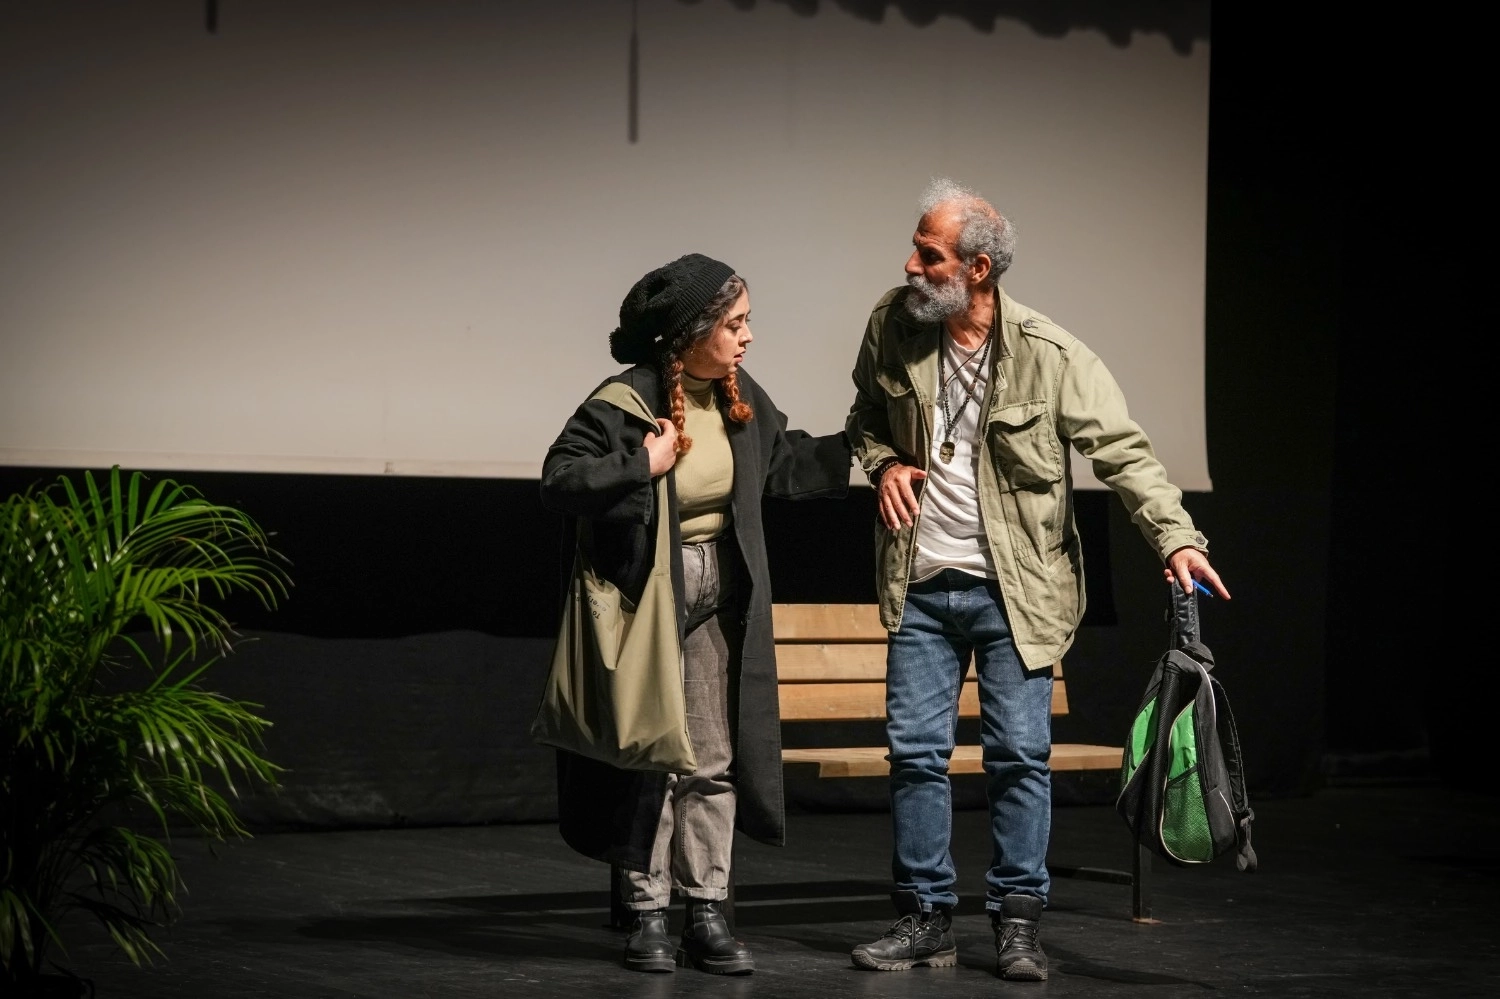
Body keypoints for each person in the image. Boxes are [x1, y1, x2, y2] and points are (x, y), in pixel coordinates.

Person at [844, 179, 1230, 981]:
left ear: (978, 269)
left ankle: (1017, 921)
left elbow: (1123, 451)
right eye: (915, 249)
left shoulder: (1051, 356)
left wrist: (1174, 538)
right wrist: (882, 464)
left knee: (1018, 757)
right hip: (920, 581)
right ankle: (925, 917)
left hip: (1014, 593)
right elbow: (865, 418)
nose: (910, 265)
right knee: (915, 756)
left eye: (929, 255)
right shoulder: (893, 324)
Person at [539, 253, 851, 975]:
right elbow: (560, 478)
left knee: (711, 757)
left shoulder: (740, 396)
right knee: (653, 755)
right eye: (734, 324)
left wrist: (865, 445)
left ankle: (706, 908)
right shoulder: (624, 402)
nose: (748, 337)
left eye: (747, 322)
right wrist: (640, 466)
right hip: (647, 599)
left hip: (719, 596)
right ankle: (647, 911)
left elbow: (783, 463)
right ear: (692, 331)